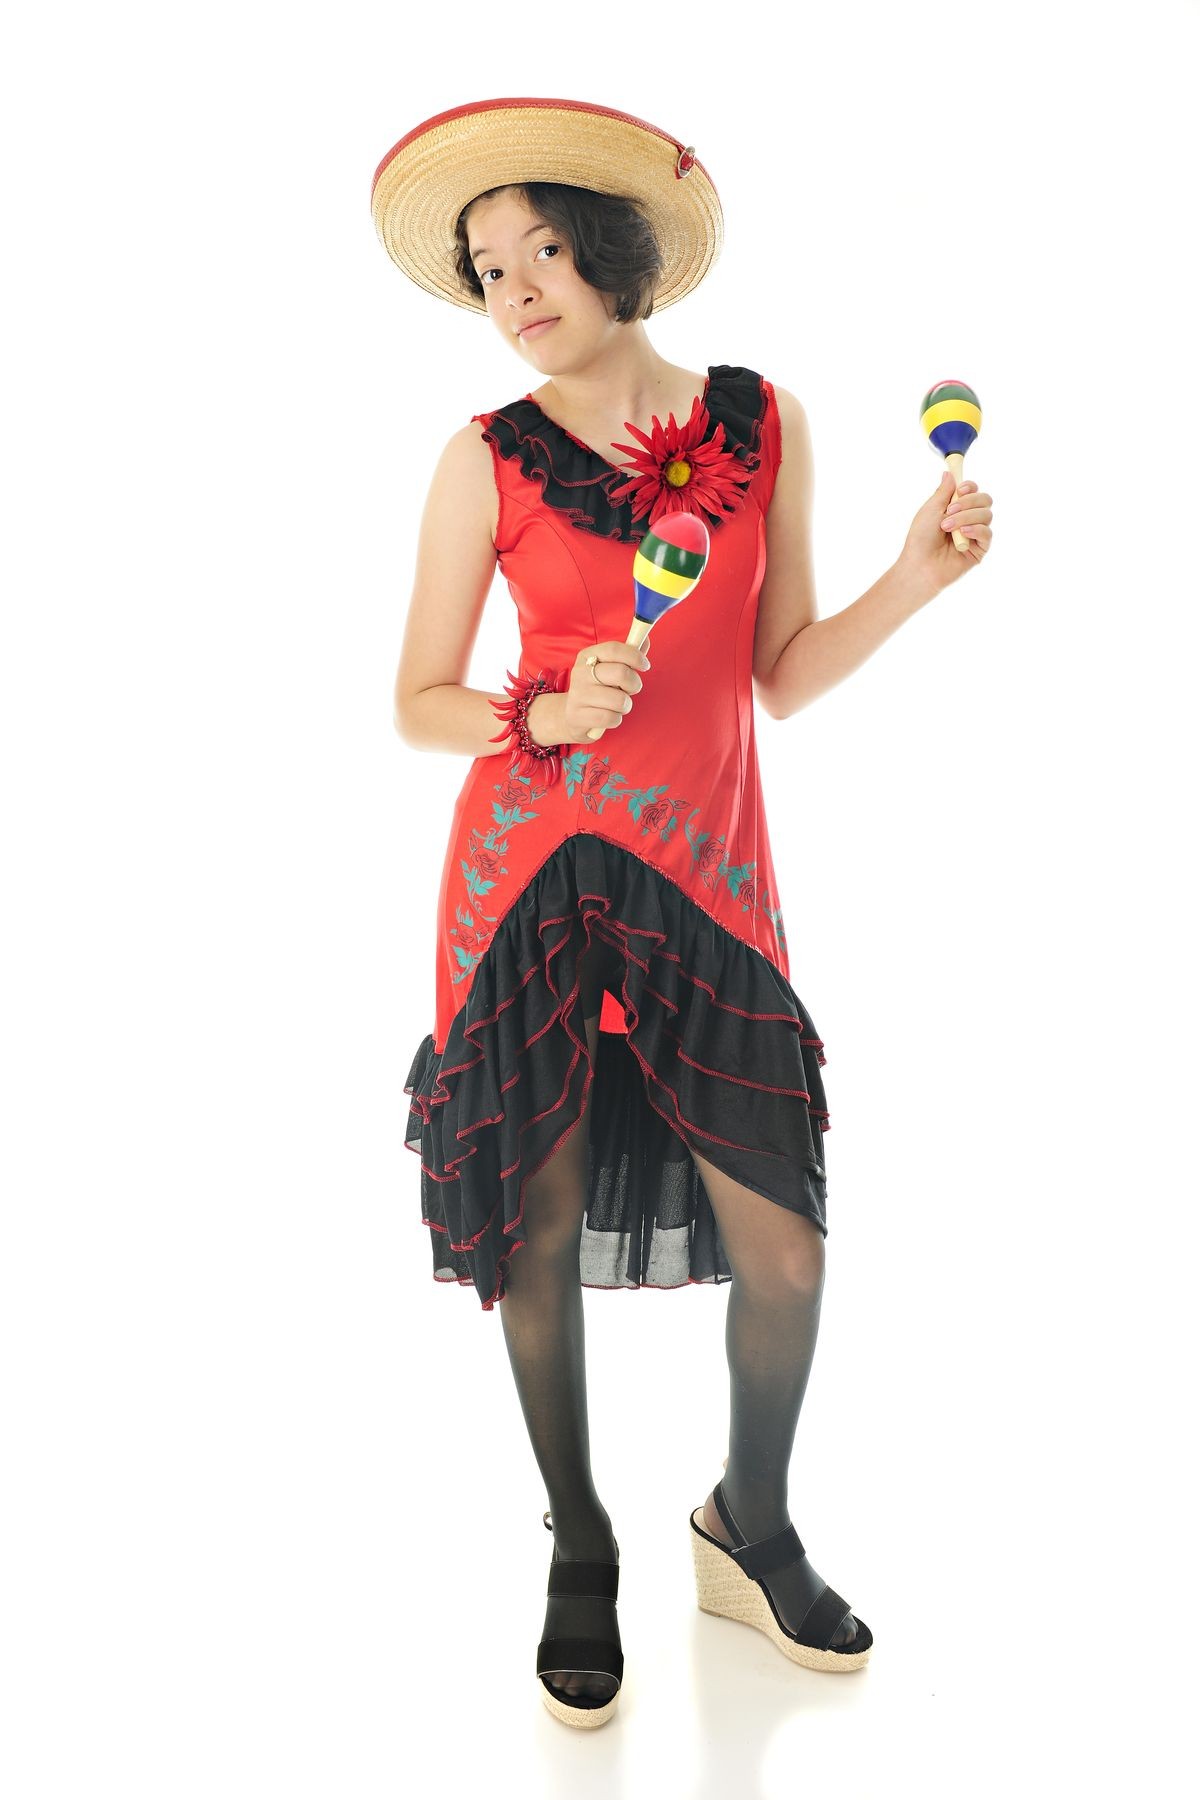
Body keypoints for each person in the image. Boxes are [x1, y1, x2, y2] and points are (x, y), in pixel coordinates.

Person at [372, 97, 993, 1729]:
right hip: (527, 879)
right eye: (484, 267)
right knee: (540, 1216)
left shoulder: (761, 421)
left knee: (783, 1242)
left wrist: (914, 579)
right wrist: (539, 714)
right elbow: (416, 701)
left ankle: (750, 1519)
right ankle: (580, 1542)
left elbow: (776, 680)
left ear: (617, 248)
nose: (512, 290)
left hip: (709, 879)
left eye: (542, 251)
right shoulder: (481, 457)